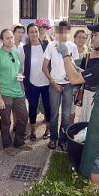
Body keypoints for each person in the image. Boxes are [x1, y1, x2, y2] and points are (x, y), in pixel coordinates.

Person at [55, 22, 99, 187]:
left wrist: (65, 55)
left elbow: (74, 80)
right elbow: (89, 76)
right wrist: (74, 67)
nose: (92, 38)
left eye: (95, 35)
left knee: (96, 153)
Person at [0, 29, 32, 156]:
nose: (11, 40)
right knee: (6, 120)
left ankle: (19, 141)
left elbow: (19, 69)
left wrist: (20, 75)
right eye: (7, 38)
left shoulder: (15, 52)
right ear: (2, 40)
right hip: (4, 93)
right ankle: (7, 145)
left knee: (24, 117)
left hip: (18, 91)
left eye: (12, 38)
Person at [42, 21, 78, 151]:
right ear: (57, 31)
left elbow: (74, 66)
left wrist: (71, 76)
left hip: (69, 85)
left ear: (68, 32)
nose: (62, 34)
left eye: (65, 31)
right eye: (60, 31)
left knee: (66, 115)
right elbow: (44, 67)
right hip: (54, 85)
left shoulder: (72, 46)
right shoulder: (51, 46)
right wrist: (53, 82)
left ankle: (63, 140)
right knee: (54, 114)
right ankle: (53, 139)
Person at [18, 23, 51, 141]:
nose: (34, 34)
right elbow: (21, 65)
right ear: (28, 34)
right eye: (31, 31)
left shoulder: (47, 45)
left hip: (47, 83)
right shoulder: (24, 48)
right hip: (32, 84)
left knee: (48, 107)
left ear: (39, 32)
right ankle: (33, 130)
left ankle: (48, 130)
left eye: (36, 31)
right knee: (32, 107)